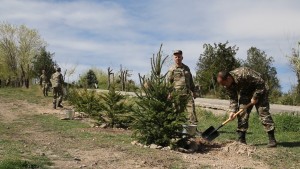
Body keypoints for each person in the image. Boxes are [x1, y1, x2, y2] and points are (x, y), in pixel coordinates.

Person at [217, 67, 277, 147]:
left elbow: (261, 83)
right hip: (245, 92)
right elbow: (233, 98)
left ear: (228, 78)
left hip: (260, 89)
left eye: (224, 84)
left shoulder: (243, 73)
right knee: (242, 112)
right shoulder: (227, 85)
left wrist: (255, 96)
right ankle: (241, 140)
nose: (224, 86)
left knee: (263, 112)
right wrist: (232, 111)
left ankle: (272, 140)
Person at [167, 50, 198, 124]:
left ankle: (193, 129)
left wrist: (194, 91)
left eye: (179, 57)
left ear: (182, 57)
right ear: (174, 58)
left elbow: (191, 81)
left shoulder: (186, 68)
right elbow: (168, 82)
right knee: (177, 112)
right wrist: (169, 93)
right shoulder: (172, 69)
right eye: (176, 57)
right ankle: (176, 128)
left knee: (191, 112)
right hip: (176, 95)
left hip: (187, 94)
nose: (178, 58)